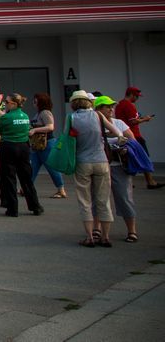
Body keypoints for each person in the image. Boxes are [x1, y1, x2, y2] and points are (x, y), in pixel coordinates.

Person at [68, 90, 120, 247]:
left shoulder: (71, 118)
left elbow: (67, 138)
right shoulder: (98, 116)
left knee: (85, 200)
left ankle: (90, 236)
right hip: (101, 161)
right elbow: (116, 132)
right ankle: (105, 237)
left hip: (82, 161)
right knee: (103, 200)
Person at [94, 95, 139, 244]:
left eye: (112, 107)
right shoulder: (94, 124)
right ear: (99, 110)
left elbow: (132, 140)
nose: (111, 109)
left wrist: (123, 148)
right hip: (101, 166)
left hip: (119, 166)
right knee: (99, 200)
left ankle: (132, 231)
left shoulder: (119, 123)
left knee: (124, 198)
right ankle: (97, 229)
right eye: (108, 107)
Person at [0, 94, 43, 217]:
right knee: (26, 178)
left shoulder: (6, 118)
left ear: (14, 104)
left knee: (9, 179)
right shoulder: (25, 116)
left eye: (8, 102)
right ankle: (35, 206)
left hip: (9, 147)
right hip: (24, 148)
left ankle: (12, 209)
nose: (6, 104)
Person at [113, 86, 164, 189]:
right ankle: (150, 182)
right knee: (144, 156)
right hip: (134, 135)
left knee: (129, 159)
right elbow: (132, 121)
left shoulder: (119, 104)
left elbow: (127, 119)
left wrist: (140, 118)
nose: (137, 98)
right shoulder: (129, 105)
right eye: (136, 96)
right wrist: (145, 119)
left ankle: (132, 182)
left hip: (123, 134)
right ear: (131, 95)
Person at [28, 92, 67, 199]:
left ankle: (61, 189)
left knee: (51, 167)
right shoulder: (39, 113)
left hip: (47, 143)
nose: (34, 103)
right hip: (37, 145)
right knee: (32, 167)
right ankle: (26, 187)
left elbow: (50, 127)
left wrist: (35, 129)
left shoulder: (45, 113)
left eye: (36, 101)